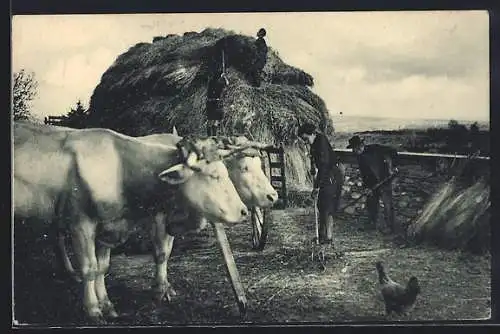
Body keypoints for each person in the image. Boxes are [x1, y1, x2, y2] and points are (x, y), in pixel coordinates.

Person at [298, 123, 345, 247]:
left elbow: (324, 166)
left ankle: (328, 238)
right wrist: (313, 166)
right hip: (326, 174)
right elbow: (315, 160)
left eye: (306, 139)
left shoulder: (321, 141)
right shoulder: (314, 143)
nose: (306, 142)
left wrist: (317, 187)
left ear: (313, 134)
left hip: (332, 175)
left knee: (327, 206)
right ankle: (322, 235)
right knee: (321, 205)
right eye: (304, 140)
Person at [347, 135, 399, 233]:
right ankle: (372, 224)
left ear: (359, 146)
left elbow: (393, 151)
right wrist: (367, 187)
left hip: (384, 180)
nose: (353, 151)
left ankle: (391, 228)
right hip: (372, 184)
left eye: (354, 148)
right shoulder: (359, 156)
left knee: (388, 204)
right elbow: (364, 174)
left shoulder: (375, 148)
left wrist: (394, 166)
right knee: (371, 203)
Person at [206, 71, 229, 136]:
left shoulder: (212, 82)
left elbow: (226, 84)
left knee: (213, 120)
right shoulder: (217, 83)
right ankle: (212, 136)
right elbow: (227, 83)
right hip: (213, 102)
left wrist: (223, 77)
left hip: (213, 102)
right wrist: (224, 77)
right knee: (213, 120)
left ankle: (212, 136)